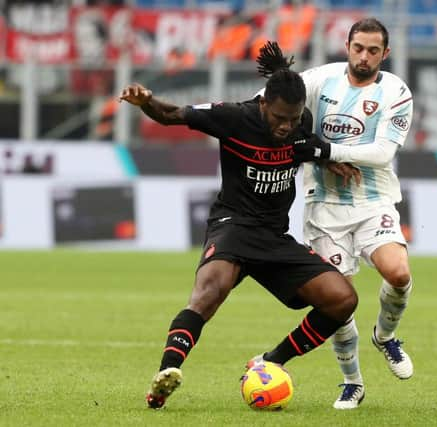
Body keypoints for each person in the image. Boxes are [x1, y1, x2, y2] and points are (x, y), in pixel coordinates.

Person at [118, 44, 359, 409]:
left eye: (292, 119)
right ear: (263, 104)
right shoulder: (232, 117)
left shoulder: (299, 122)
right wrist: (148, 100)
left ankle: (272, 361)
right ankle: (166, 376)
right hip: (233, 226)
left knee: (343, 300)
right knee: (208, 293)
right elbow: (171, 115)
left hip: (275, 237)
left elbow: (306, 146)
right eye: (279, 117)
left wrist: (331, 161)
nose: (285, 125)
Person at [266, 18, 415, 409]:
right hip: (325, 207)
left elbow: (383, 153)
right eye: (358, 48)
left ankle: (384, 337)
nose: (364, 57)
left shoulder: (396, 92)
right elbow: (270, 105)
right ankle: (353, 382)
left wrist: (325, 152)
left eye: (372, 51)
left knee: (398, 273)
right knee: (339, 298)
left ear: (386, 53)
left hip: (373, 200)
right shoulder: (321, 80)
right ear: (346, 45)